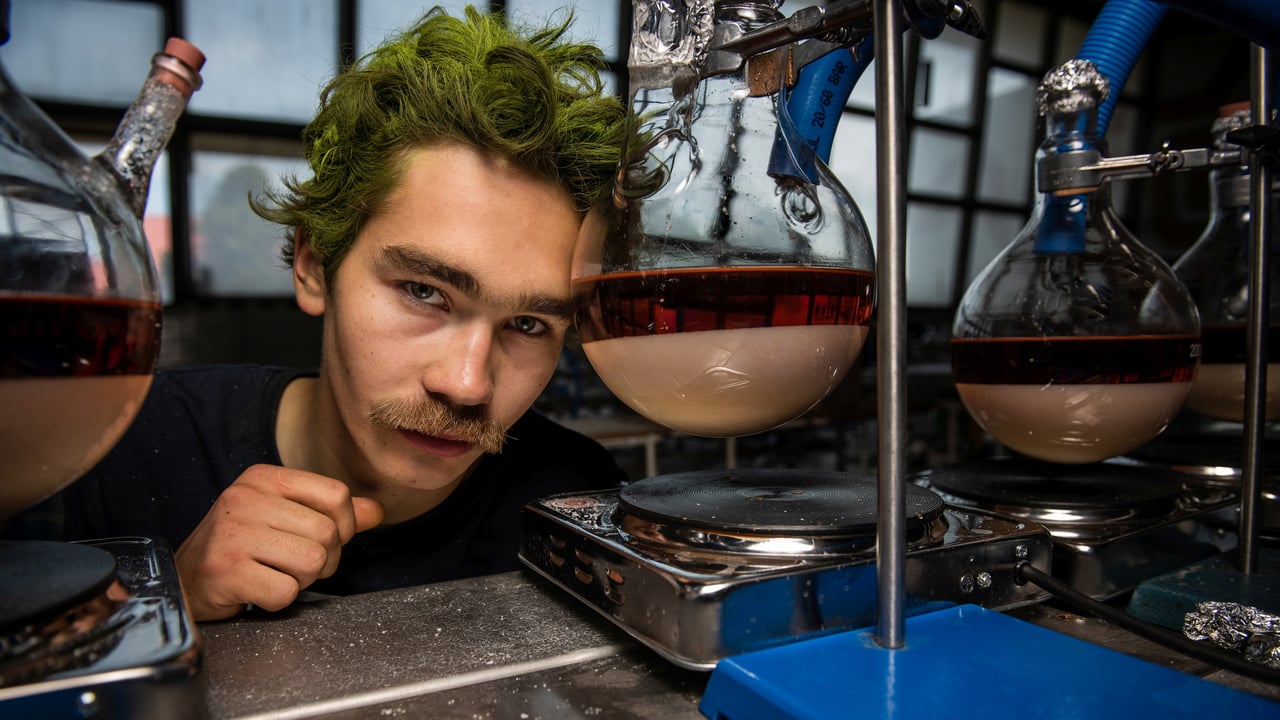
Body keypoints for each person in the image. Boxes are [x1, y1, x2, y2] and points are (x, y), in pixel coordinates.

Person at [9, 6, 629, 621]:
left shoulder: (574, 498)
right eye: (423, 291)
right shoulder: (127, 444)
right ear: (312, 265)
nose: (467, 385)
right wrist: (170, 597)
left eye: (528, 325)